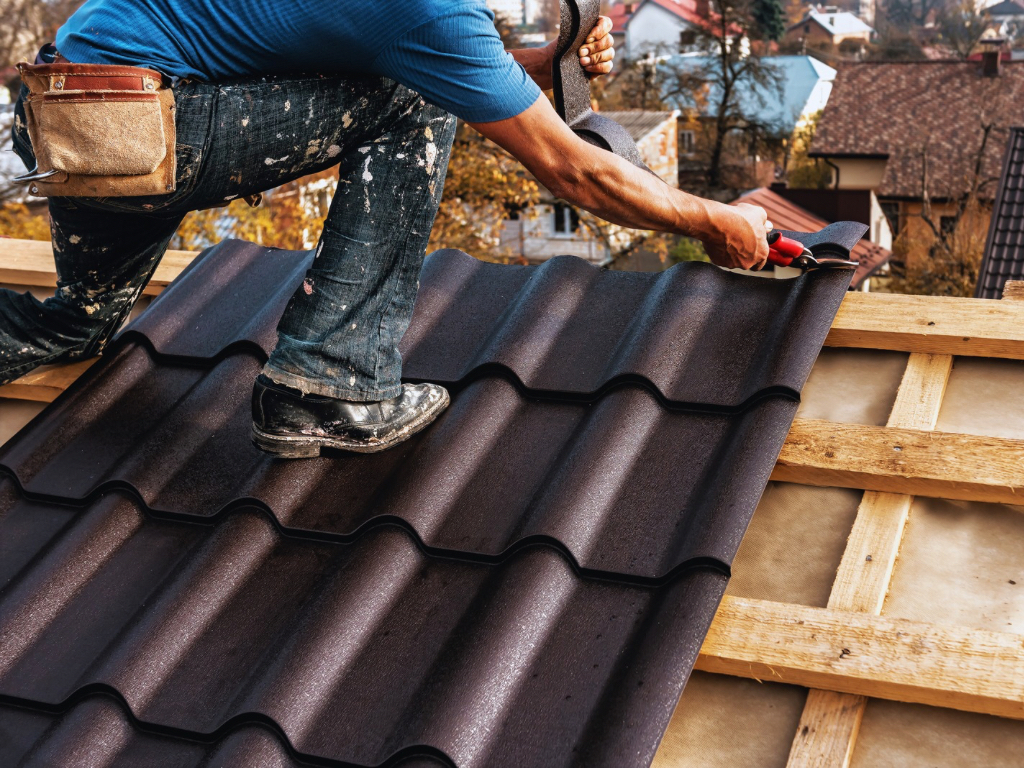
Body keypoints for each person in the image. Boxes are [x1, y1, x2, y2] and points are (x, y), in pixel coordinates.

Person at [8, 0, 771, 458]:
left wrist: (537, 65)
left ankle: (54, 325)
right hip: (146, 129)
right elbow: (573, 171)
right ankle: (331, 378)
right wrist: (718, 221)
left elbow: (360, 39)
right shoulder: (432, 10)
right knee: (418, 96)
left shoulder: (424, 15)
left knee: (75, 328)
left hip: (60, 117)